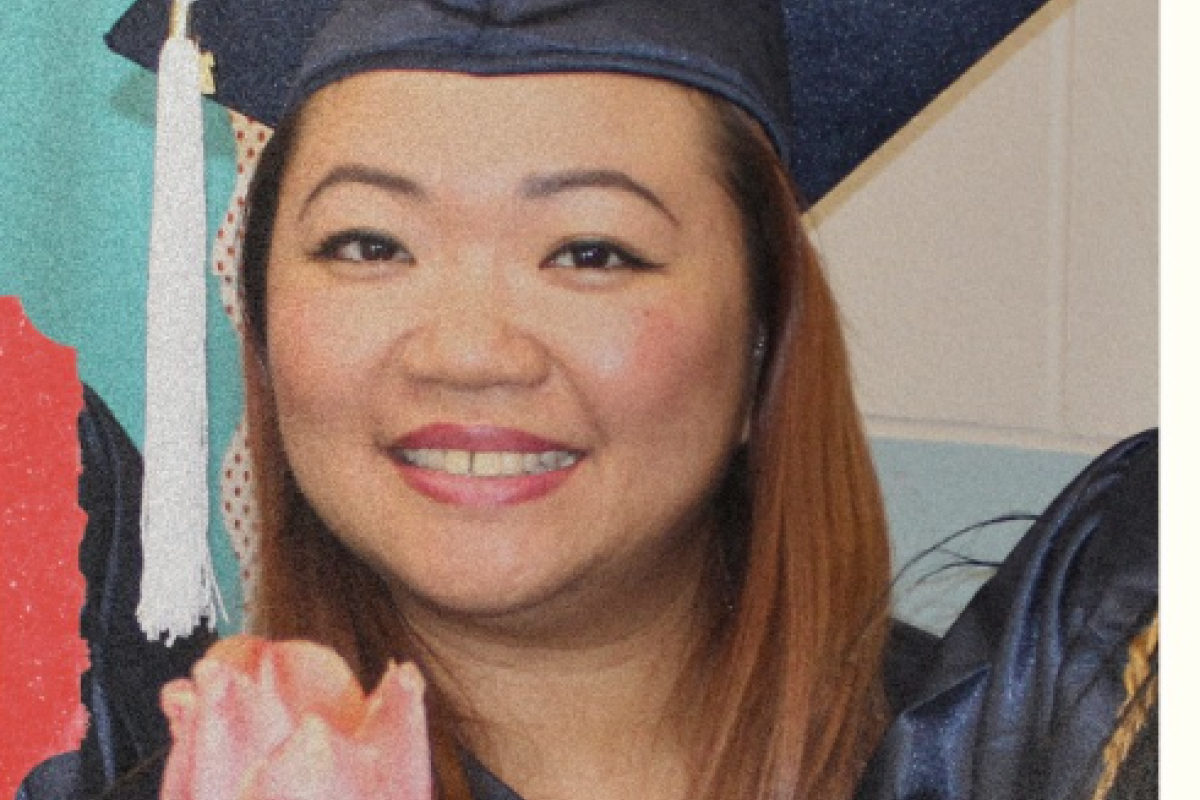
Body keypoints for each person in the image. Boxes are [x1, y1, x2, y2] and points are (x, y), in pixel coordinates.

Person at [16, 1, 1157, 800]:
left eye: (593, 250)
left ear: (764, 330)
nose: (468, 351)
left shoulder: (1054, 748)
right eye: (368, 241)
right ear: (260, 319)